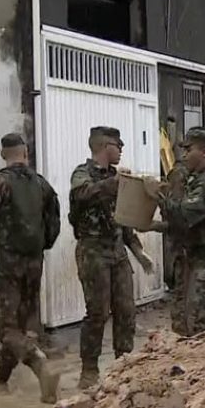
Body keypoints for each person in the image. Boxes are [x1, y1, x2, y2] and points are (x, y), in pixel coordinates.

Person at [0, 133, 61, 401]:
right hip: (34, 262)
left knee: (4, 327)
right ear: (25, 152)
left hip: (8, 262)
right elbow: (54, 225)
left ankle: (40, 364)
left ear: (2, 153)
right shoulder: (43, 186)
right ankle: (0, 383)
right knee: (19, 325)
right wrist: (41, 247)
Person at [69, 126, 154, 389]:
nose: (121, 151)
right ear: (106, 146)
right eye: (118, 146)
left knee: (126, 311)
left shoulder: (118, 178)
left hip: (117, 252)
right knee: (96, 313)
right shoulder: (83, 174)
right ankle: (89, 369)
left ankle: (123, 365)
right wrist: (113, 184)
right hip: (93, 251)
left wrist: (138, 251)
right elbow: (81, 195)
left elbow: (124, 217)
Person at [156, 128, 205, 336]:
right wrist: (154, 226)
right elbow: (180, 223)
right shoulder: (193, 181)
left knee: (197, 319)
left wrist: (160, 197)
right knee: (181, 319)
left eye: (188, 149)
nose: (183, 155)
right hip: (192, 256)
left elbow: (183, 215)